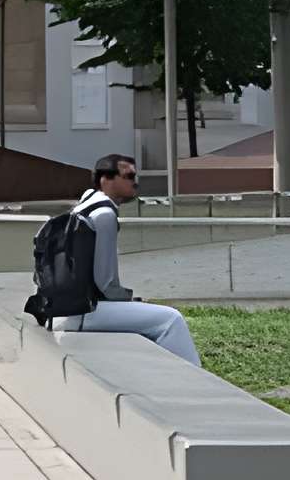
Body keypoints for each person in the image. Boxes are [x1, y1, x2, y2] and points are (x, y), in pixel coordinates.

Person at [52, 154, 200, 365]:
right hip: (83, 312)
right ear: (106, 180)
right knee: (171, 320)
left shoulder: (86, 204)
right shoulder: (104, 215)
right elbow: (106, 283)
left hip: (66, 309)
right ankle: (194, 384)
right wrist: (129, 300)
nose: (135, 182)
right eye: (129, 176)